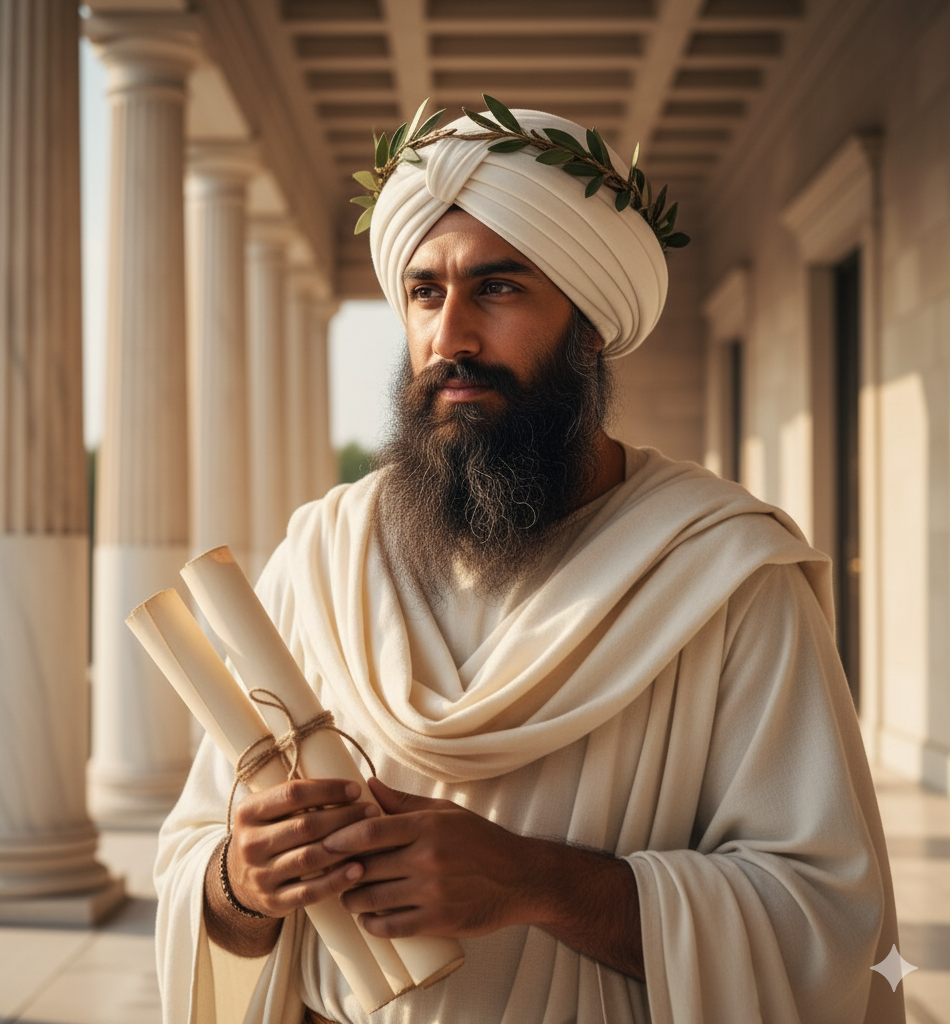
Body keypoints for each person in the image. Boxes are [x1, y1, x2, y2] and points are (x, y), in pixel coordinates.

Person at [155, 107, 903, 1024]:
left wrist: (534, 881)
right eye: (425, 294)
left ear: (590, 325)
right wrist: (242, 880)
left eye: (498, 288)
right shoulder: (322, 556)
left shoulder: (727, 576)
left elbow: (821, 920)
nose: (451, 337)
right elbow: (201, 869)